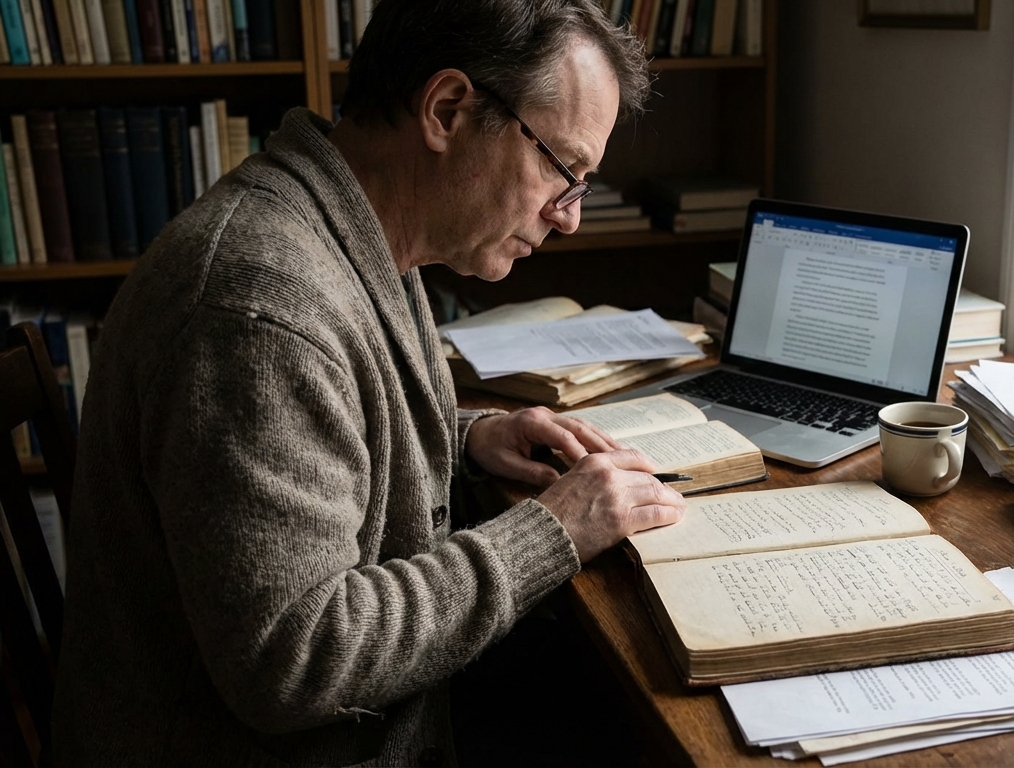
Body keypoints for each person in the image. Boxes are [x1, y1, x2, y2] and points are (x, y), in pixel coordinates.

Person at [51, 1, 685, 764]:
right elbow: (296, 660)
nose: (570, 216)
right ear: (448, 109)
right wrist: (553, 532)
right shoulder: (258, 309)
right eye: (564, 170)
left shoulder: (363, 229)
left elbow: (329, 431)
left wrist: (468, 435)